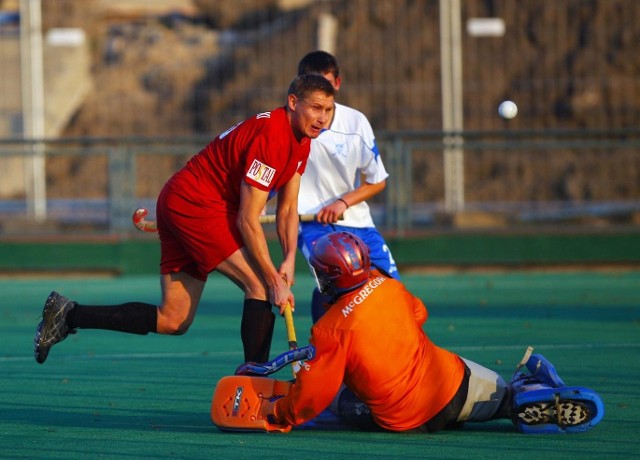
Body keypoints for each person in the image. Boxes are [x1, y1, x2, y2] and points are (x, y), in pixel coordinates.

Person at [34, 74, 336, 365]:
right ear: (293, 102)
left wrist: (288, 260)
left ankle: (68, 314)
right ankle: (255, 386)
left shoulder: (302, 141)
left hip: (185, 202)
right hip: (197, 206)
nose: (322, 118)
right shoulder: (273, 136)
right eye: (315, 108)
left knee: (173, 319)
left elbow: (286, 210)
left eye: (328, 110)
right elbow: (247, 219)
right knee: (258, 285)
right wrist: (273, 279)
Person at [258, 231, 604, 434]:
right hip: (452, 380)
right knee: (504, 399)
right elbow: (419, 312)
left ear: (329, 277)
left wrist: (281, 413)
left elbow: (312, 396)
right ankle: (524, 395)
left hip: (408, 417)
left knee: (333, 401)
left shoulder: (329, 330)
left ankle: (518, 398)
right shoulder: (387, 285)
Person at [296, 51, 399, 322]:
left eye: (326, 86)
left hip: (358, 222)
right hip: (311, 223)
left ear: (337, 84)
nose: (320, 94)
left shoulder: (356, 122)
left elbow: (377, 180)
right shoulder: (290, 124)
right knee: (333, 285)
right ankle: (324, 348)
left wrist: (342, 202)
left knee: (392, 289)